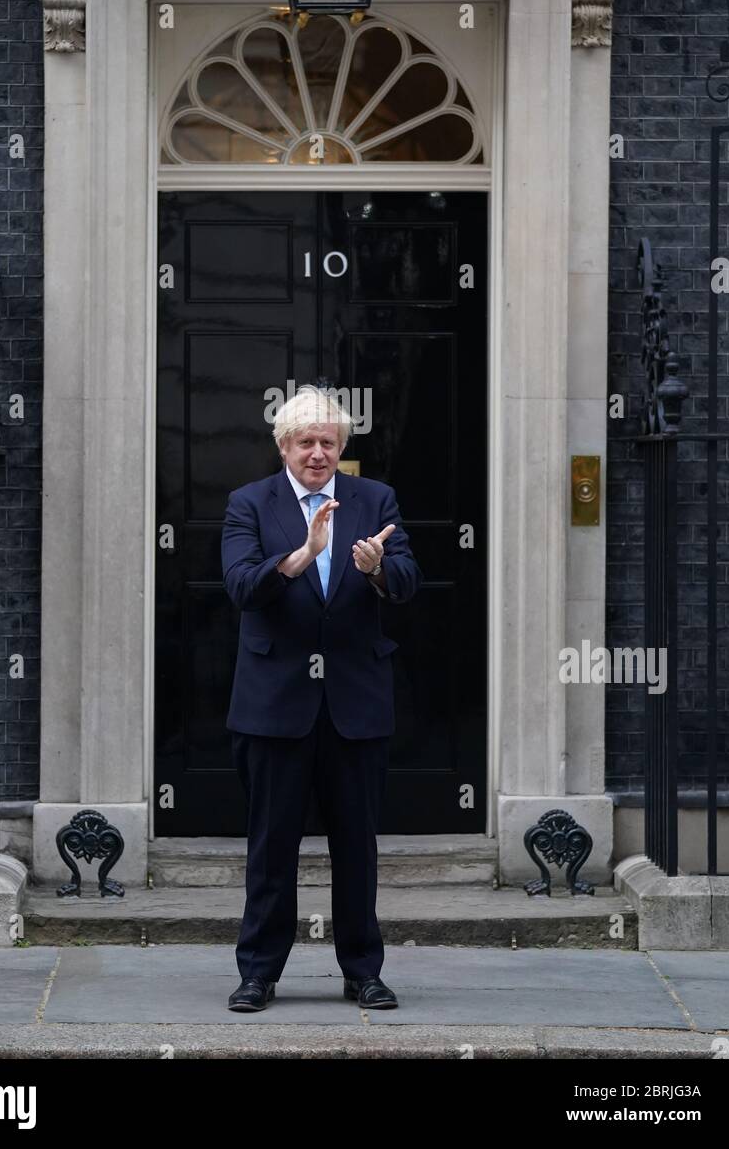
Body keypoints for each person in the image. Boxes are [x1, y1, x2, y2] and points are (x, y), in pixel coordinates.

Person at [221, 384, 423, 1012]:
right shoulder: (249, 504)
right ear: (284, 446)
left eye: (328, 443)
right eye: (306, 442)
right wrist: (300, 555)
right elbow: (240, 586)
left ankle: (363, 970)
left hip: (354, 703)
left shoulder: (375, 500)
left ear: (341, 448)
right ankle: (259, 973)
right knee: (271, 847)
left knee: (356, 847)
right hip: (276, 703)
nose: (317, 453)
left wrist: (376, 569)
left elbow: (410, 581)